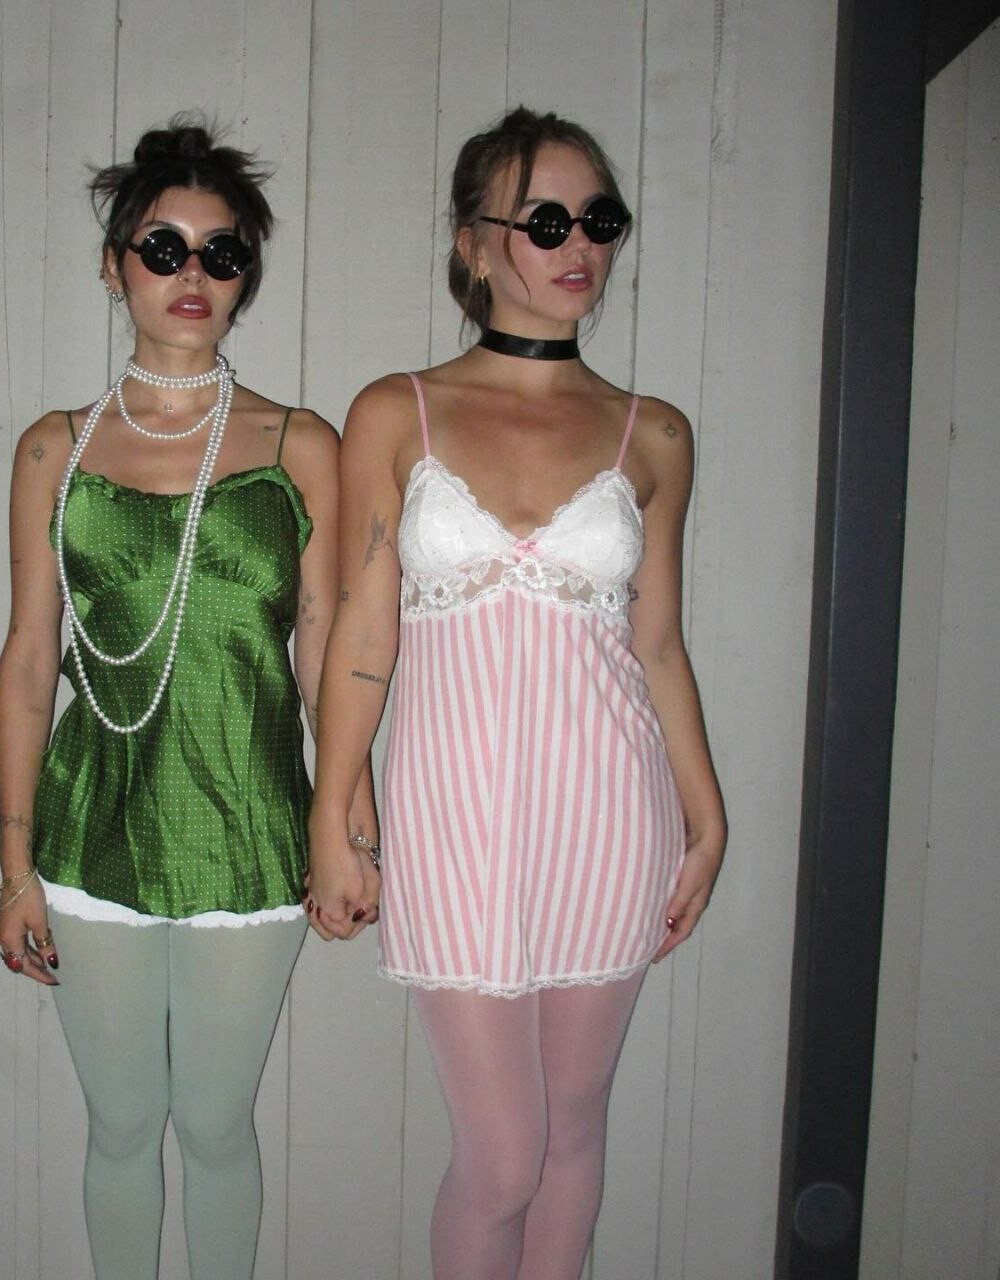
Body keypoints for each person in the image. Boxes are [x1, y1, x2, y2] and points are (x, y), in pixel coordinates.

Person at [307, 106, 726, 1278]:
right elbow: (360, 630)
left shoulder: (653, 433)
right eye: (546, 220)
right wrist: (332, 810)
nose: (577, 244)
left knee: (573, 1132)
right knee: (501, 1157)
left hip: (610, 809)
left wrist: (704, 816)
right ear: (472, 242)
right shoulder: (395, 410)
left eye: (599, 219)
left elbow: (657, 643)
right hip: (451, 814)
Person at [0, 116, 376, 1280]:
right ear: (115, 265)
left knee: (214, 1124)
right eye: (162, 247)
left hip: (250, 825)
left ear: (246, 272)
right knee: (118, 1125)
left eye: (221, 251)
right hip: (90, 825)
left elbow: (325, 645)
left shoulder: (300, 444)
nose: (192, 273)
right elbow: (27, 657)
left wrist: (344, 816)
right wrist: (13, 863)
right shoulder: (53, 448)